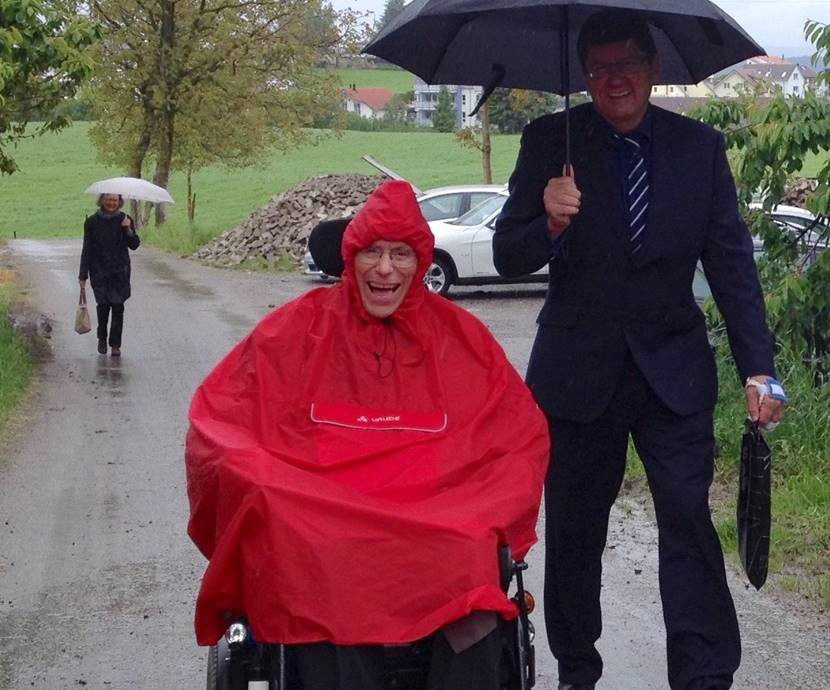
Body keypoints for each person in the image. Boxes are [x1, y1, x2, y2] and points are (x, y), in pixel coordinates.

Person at [492, 9, 787, 690]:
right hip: (575, 374)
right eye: (597, 68)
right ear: (584, 75)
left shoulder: (699, 150)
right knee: (574, 531)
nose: (612, 79)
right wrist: (550, 221)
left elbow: (732, 265)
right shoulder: (548, 142)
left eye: (625, 64)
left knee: (687, 523)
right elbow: (509, 254)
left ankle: (705, 672)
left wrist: (760, 369)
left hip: (672, 375)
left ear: (653, 69)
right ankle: (577, 667)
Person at [185, 179, 549, 689]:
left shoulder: (461, 339)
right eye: (373, 252)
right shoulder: (297, 329)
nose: (385, 268)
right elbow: (221, 418)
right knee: (310, 549)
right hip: (325, 510)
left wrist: (487, 507)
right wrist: (261, 483)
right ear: (350, 255)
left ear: (421, 262)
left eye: (401, 253)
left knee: (468, 549)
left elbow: (518, 435)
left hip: (434, 512)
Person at [78, 193, 140, 357]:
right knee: (103, 307)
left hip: (120, 272)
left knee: (118, 307)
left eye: (114, 200)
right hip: (99, 271)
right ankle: (102, 338)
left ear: (119, 202)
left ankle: (115, 345)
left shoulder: (126, 219)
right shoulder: (92, 222)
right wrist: (82, 275)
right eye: (108, 199)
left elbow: (134, 245)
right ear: (102, 200)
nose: (111, 203)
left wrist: (127, 229)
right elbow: (87, 249)